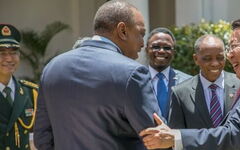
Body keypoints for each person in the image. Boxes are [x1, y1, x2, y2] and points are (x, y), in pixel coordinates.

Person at [140, 18, 240, 150]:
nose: (229, 55)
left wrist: (176, 137)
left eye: (234, 45)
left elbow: (232, 133)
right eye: (228, 48)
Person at [34, 1, 161, 150]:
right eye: (141, 34)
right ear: (122, 31)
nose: (142, 43)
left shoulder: (52, 68)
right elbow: (157, 138)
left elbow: (42, 139)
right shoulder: (133, 73)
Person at [168, 35, 240, 129]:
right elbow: (177, 136)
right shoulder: (180, 93)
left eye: (220, 57)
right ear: (196, 59)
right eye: (207, 58)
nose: (215, 63)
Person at [0, 24, 38, 150]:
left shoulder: (32, 93)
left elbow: (34, 139)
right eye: (2, 53)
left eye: (13, 52)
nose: (9, 58)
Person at [145, 27, 191, 120]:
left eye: (167, 47)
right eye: (156, 47)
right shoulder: (135, 80)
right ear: (146, 50)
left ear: (173, 52)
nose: (161, 51)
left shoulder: (188, 82)